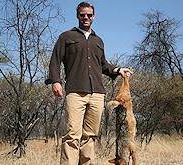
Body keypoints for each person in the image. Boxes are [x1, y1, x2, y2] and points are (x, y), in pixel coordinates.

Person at [45, 2, 132, 164]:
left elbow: (104, 65)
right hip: (75, 91)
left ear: (94, 16)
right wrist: (55, 81)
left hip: (97, 93)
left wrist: (118, 69)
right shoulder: (66, 37)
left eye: (89, 15)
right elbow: (55, 61)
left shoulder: (98, 40)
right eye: (83, 15)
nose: (86, 18)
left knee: (90, 135)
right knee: (72, 135)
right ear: (77, 16)